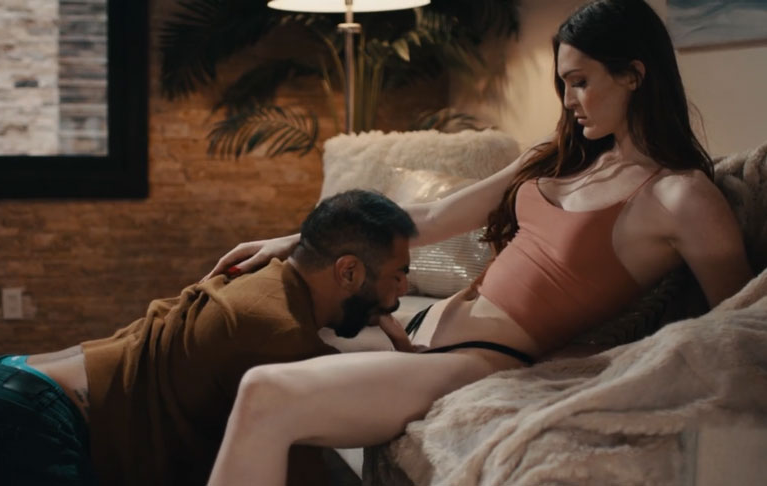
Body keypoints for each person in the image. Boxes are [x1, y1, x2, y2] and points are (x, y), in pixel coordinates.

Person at [204, 1, 754, 485]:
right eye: (562, 83)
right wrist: (295, 240)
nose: (568, 100)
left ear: (634, 74)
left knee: (264, 393)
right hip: (414, 331)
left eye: (580, 82)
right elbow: (435, 215)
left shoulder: (681, 197)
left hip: (471, 364)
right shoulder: (559, 156)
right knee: (229, 342)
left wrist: (600, 359)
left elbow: (727, 332)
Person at [0, 190, 417, 486]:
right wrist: (413, 358)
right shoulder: (276, 333)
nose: (403, 290)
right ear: (348, 271)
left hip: (9, 389)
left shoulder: (267, 276)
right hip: (28, 420)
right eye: (398, 274)